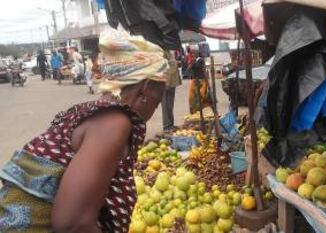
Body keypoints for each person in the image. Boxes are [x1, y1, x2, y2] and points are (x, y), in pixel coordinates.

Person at [0, 30, 168, 233]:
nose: (154, 109)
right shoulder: (115, 123)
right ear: (146, 88)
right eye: (157, 101)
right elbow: (72, 224)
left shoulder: (92, 110)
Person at [162, 50, 181, 131]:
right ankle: (166, 126)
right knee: (166, 105)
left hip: (172, 82)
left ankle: (171, 124)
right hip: (166, 82)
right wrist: (167, 82)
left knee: (170, 105)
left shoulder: (170, 51)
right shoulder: (163, 51)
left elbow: (172, 65)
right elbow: (163, 67)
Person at [188, 48, 211, 114]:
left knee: (201, 96)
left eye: (194, 53)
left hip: (201, 80)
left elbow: (204, 70)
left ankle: (199, 110)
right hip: (194, 80)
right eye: (192, 53)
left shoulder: (201, 60)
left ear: (197, 53)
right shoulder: (193, 60)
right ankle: (193, 111)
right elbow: (188, 70)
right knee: (191, 97)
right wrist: (191, 63)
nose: (193, 54)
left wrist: (206, 81)